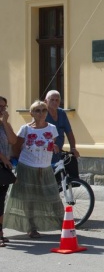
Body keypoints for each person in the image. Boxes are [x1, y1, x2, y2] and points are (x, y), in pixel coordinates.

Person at [3, 100, 64, 238]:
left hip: (45, 167)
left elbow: (52, 145)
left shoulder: (52, 128)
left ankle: (64, 226)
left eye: (43, 110)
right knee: (29, 200)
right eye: (37, 110)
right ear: (31, 113)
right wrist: (22, 162)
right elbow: (16, 148)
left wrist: (55, 147)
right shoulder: (25, 129)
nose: (41, 113)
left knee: (52, 196)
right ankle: (31, 228)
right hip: (27, 167)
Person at [1, 96, 18, 246]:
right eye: (0, 106)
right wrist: (4, 159)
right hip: (3, 164)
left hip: (4, 167)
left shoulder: (5, 125)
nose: (3, 110)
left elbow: (13, 141)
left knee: (1, 199)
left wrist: (5, 123)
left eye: (4, 107)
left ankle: (0, 232)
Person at [44, 90, 80, 162]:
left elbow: (69, 132)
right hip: (45, 152)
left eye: (57, 100)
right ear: (45, 101)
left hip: (58, 152)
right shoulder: (42, 113)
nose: (55, 102)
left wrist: (73, 148)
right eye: (52, 100)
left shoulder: (62, 113)